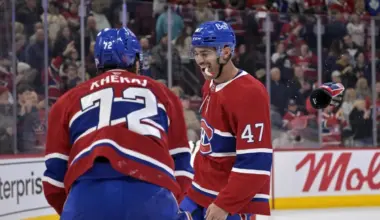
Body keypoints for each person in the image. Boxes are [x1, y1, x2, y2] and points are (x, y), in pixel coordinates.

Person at [42, 27, 193, 220]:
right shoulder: (163, 93)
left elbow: (53, 179)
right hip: (152, 193)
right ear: (136, 61)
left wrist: (76, 210)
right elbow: (182, 166)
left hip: (86, 197)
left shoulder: (67, 100)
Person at [179, 21, 273, 220]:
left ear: (226, 52)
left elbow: (256, 161)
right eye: (196, 53)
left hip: (226, 202)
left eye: (205, 54)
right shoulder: (209, 85)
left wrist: (226, 204)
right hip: (198, 192)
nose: (199, 60)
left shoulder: (250, 93)